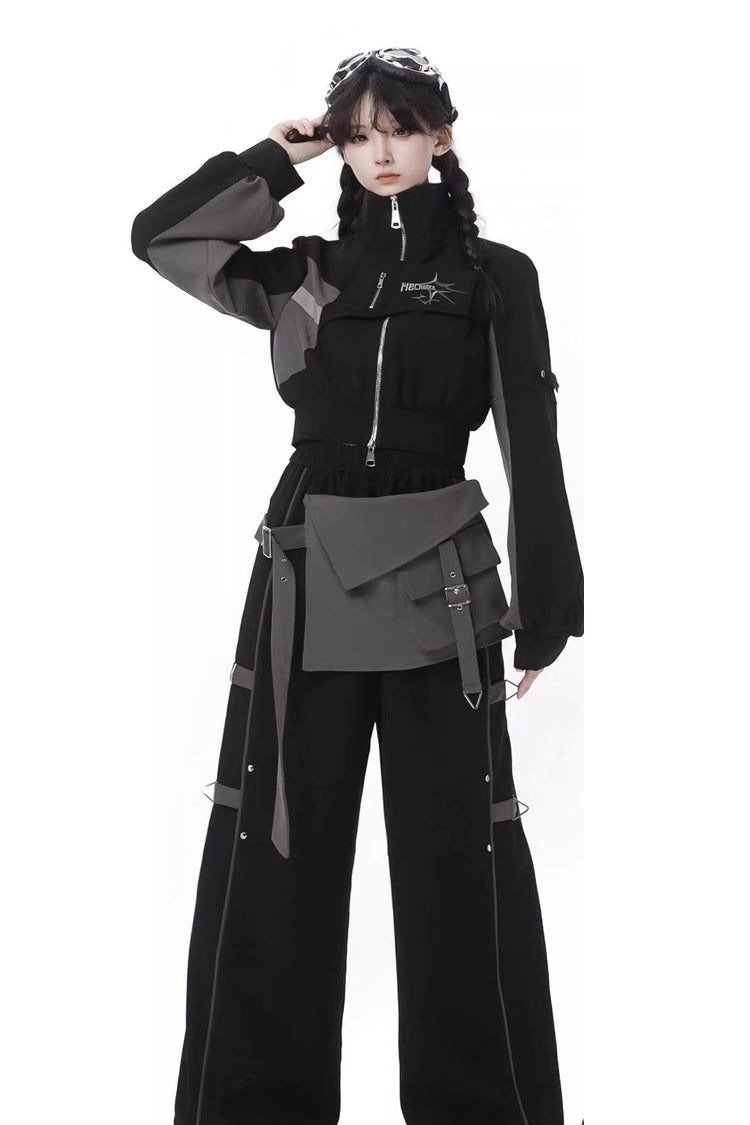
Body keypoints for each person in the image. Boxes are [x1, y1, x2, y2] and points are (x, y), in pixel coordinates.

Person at [131, 46, 583, 1125]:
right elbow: (163, 239)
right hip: (306, 565)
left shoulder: (494, 276)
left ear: (441, 136)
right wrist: (272, 161)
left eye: (402, 127)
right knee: (278, 844)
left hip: (442, 582)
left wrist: (548, 605)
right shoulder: (309, 272)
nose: (382, 150)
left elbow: (530, 433)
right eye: (361, 131)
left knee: (454, 854)